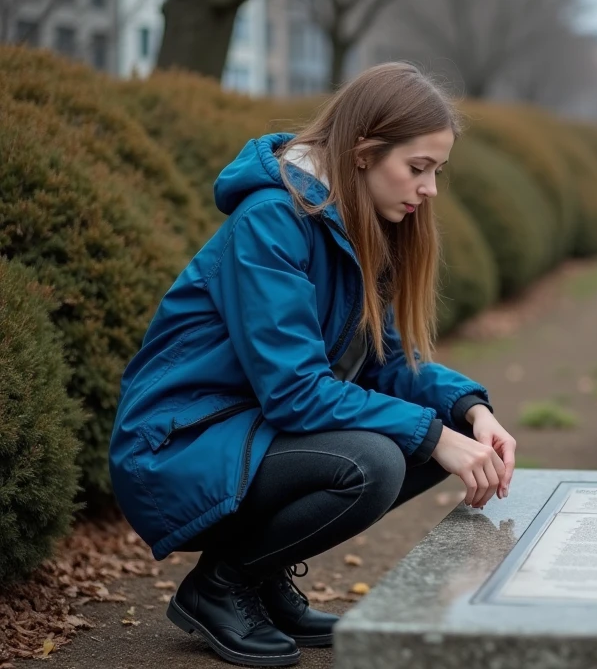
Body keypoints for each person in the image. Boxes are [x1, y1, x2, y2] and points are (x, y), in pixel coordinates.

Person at [108, 63, 517, 667]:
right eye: (418, 168)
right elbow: (296, 391)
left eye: (436, 172)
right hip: (177, 444)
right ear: (363, 152)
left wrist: (467, 409)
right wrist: (433, 436)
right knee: (377, 460)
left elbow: (386, 361)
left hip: (250, 432)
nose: (429, 189)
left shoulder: (359, 223)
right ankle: (221, 587)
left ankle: (262, 577)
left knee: (444, 431)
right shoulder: (273, 219)